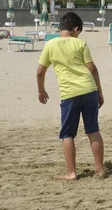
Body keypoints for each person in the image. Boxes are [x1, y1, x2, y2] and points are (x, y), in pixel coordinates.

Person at [36, 12, 105, 181]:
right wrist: (100, 92)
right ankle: (100, 169)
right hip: (89, 90)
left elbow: (40, 72)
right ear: (76, 29)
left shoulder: (50, 45)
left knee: (67, 134)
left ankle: (71, 172)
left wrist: (41, 91)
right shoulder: (80, 43)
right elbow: (93, 69)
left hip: (70, 94)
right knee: (93, 131)